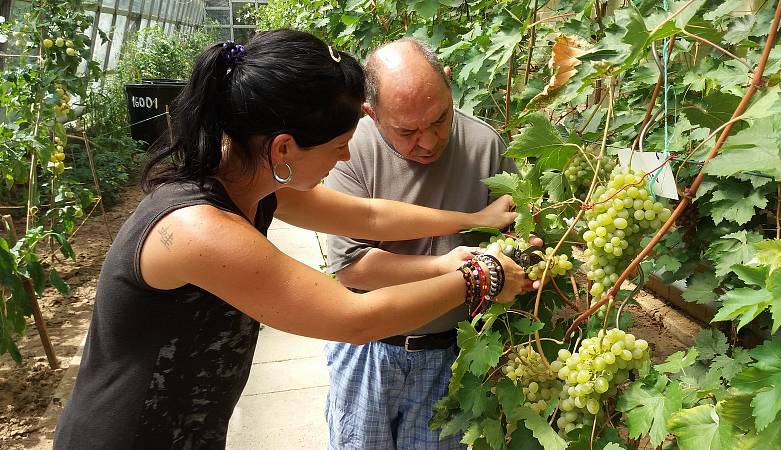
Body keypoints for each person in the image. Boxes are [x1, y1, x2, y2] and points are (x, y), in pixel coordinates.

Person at [52, 30, 531, 450]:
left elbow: (370, 214)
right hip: (130, 434)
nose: (347, 157)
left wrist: (471, 218)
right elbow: (353, 318)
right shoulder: (199, 229)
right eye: (338, 144)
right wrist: (480, 276)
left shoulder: (249, 183)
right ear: (283, 148)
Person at [323, 38, 527, 450]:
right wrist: (454, 269)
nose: (429, 141)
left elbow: (512, 237)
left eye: (439, 119)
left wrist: (520, 252)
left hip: (452, 354)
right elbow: (351, 266)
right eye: (407, 131)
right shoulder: (349, 151)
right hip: (370, 353)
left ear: (449, 84)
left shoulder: (486, 145)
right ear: (372, 113)